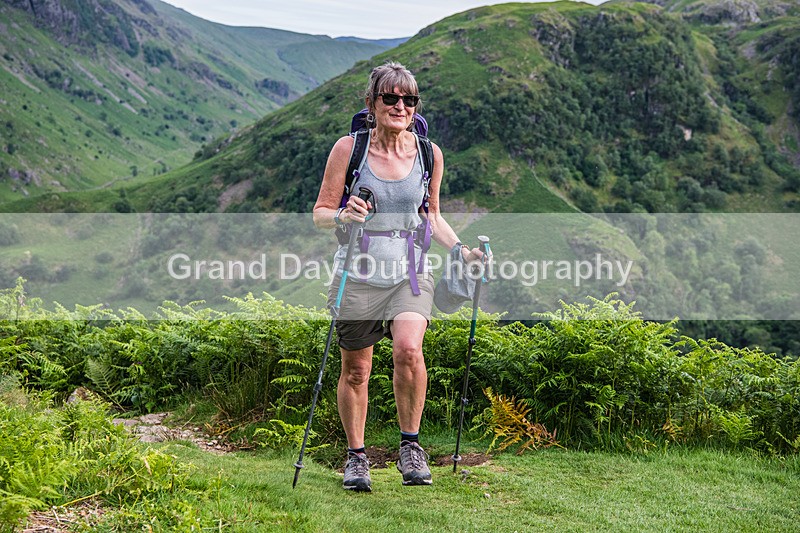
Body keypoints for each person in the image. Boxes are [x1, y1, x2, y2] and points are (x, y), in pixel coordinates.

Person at [312, 61, 481, 492]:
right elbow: (320, 214)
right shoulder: (348, 150)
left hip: (411, 271)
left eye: (409, 99)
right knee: (356, 371)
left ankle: (410, 447)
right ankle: (356, 458)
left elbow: (434, 217)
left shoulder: (428, 153)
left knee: (409, 350)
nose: (401, 106)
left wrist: (461, 250)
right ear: (372, 103)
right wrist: (343, 213)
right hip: (360, 270)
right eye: (391, 97)